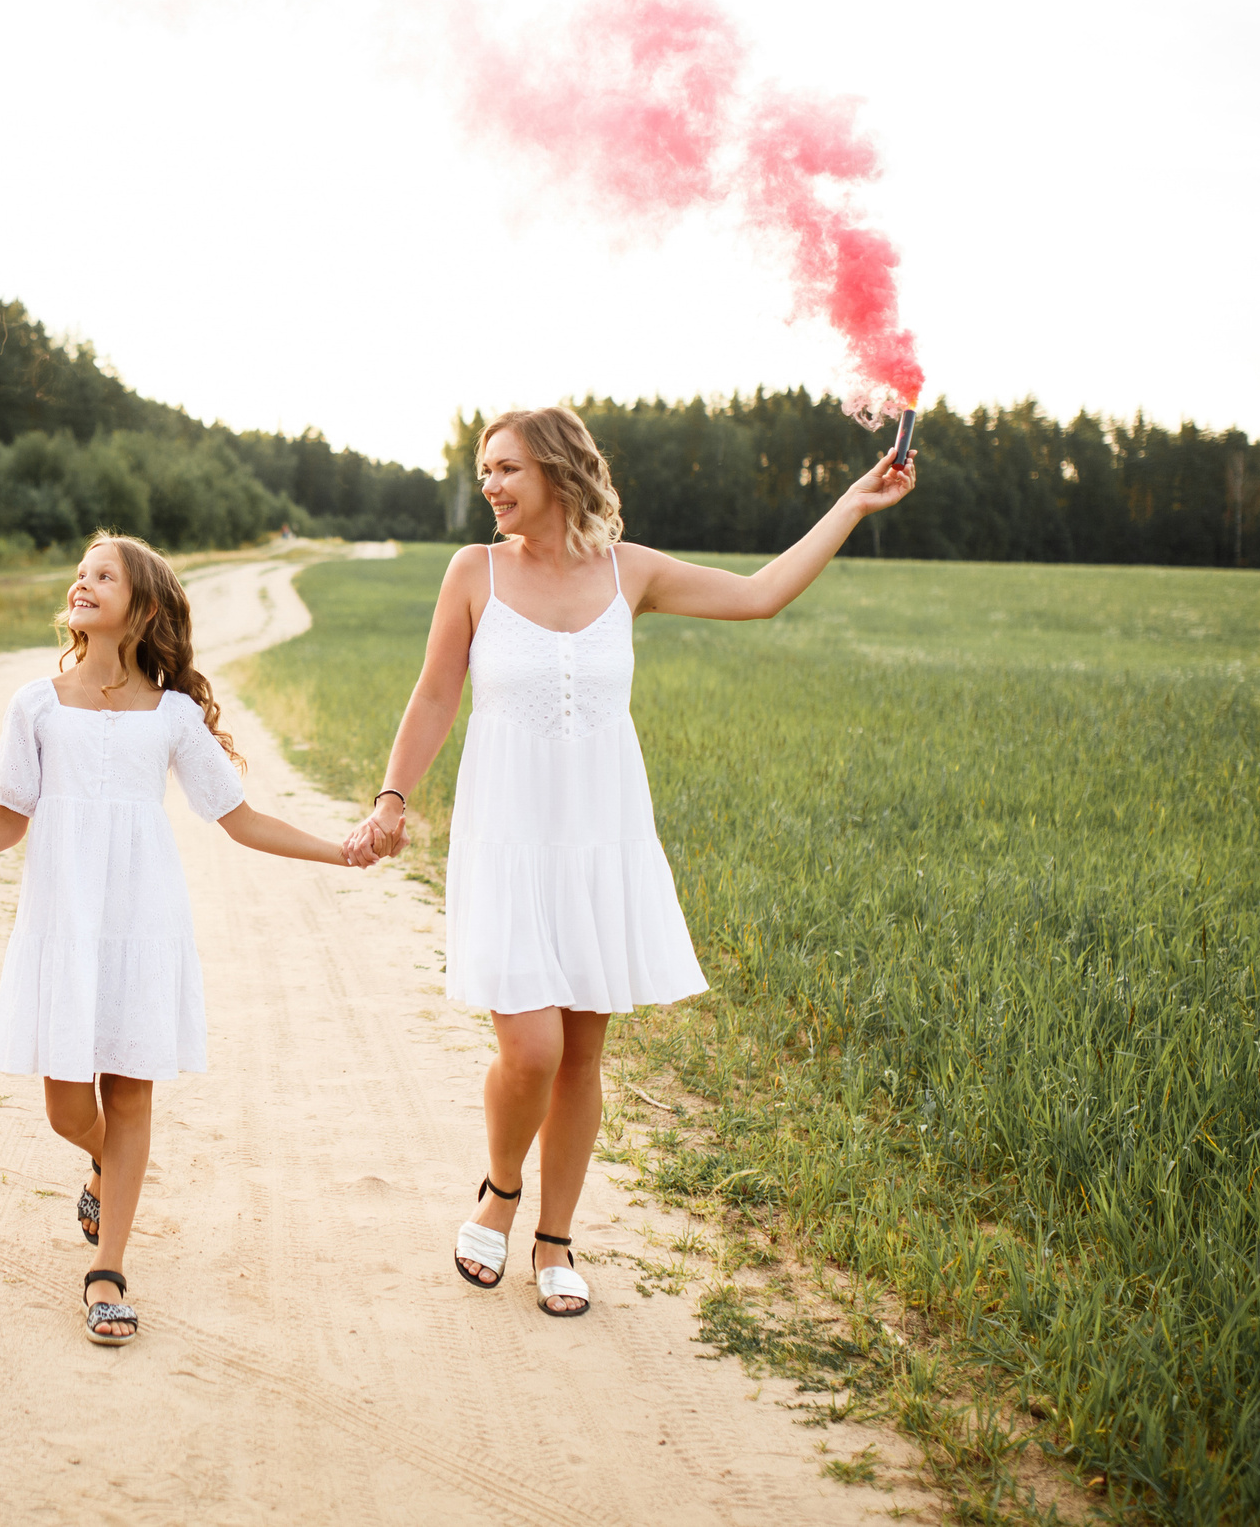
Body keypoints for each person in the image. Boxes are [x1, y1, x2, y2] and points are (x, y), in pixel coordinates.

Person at [344, 406, 915, 1317]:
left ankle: (558, 1238)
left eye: (504, 468)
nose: (488, 484)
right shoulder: (473, 572)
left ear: (559, 471)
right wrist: (392, 797)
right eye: (483, 469)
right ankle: (499, 1188)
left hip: (602, 842)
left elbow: (762, 592)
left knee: (581, 1055)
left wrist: (851, 502)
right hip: (509, 840)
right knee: (530, 1048)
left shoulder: (630, 571)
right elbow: (436, 692)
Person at [0, 534, 359, 1344]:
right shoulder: (35, 705)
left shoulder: (175, 716)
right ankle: (104, 1165)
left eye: (104, 575)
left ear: (143, 607)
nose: (83, 583)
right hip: (64, 925)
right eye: (80, 574)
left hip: (143, 925)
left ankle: (107, 1268)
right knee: (66, 1108)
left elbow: (241, 817)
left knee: (131, 1093)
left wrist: (338, 847)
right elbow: (10, 820)